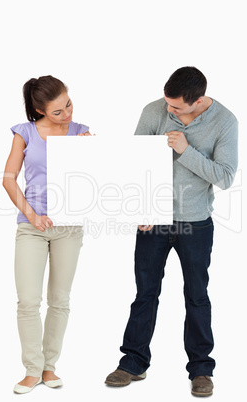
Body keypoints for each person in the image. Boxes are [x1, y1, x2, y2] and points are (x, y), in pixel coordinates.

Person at [105, 67, 238, 397]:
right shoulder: (154, 111)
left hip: (196, 223)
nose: (169, 111)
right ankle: (133, 363)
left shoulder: (225, 122)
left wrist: (185, 150)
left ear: (199, 101)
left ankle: (201, 370)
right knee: (145, 294)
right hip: (154, 220)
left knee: (197, 296)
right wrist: (141, 207)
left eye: (176, 107)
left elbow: (225, 177)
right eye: (167, 103)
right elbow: (133, 163)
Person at [3, 75, 92, 394]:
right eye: (57, 111)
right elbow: (9, 179)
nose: (66, 114)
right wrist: (32, 215)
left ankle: (49, 367)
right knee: (28, 300)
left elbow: (97, 183)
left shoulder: (82, 132)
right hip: (32, 227)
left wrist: (91, 154)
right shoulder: (24, 132)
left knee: (59, 299)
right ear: (39, 109)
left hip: (69, 226)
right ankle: (31, 370)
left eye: (68, 104)